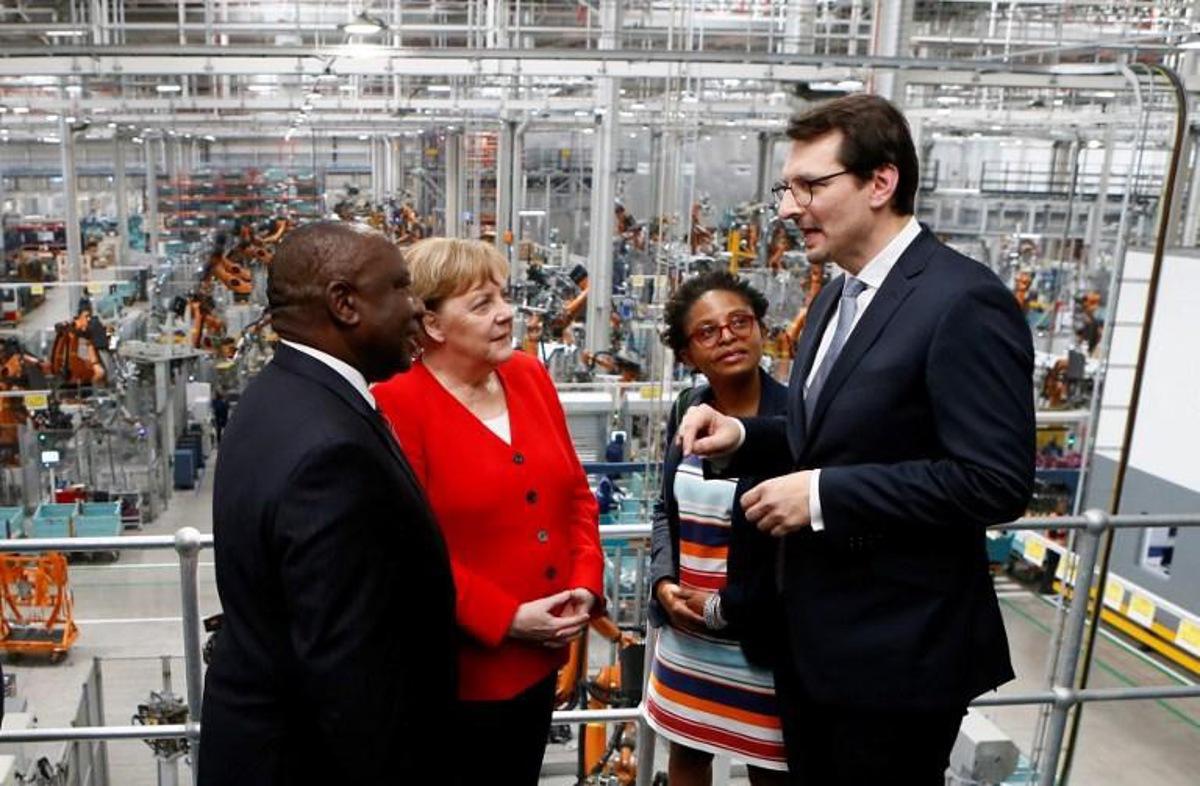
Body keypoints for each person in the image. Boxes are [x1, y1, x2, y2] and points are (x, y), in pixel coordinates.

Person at [677, 94, 1035, 785]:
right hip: (816, 645)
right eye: (787, 189)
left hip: (898, 657)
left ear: (880, 182)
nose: (790, 208)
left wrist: (822, 496)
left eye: (810, 186)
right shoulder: (837, 297)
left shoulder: (962, 300)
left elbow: (995, 481)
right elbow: (832, 440)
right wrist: (742, 435)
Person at [198, 222, 456, 786]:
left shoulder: (276, 396)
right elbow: (349, 671)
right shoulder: (332, 452)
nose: (417, 308)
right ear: (344, 303)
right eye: (400, 288)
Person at [372, 237, 605, 785]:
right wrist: (506, 619)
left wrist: (585, 581)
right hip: (458, 681)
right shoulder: (397, 403)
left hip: (539, 667)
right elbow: (406, 551)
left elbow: (575, 493)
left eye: (502, 296)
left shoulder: (528, 376)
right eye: (482, 304)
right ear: (432, 324)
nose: (506, 314)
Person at [646, 271, 789, 784]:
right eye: (707, 331)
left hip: (760, 639)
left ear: (761, 329)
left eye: (739, 322)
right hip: (687, 636)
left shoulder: (797, 418)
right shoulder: (688, 409)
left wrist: (725, 607)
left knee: (770, 768)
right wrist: (663, 583)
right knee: (687, 758)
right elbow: (665, 509)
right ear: (688, 353)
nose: (728, 337)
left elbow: (797, 549)